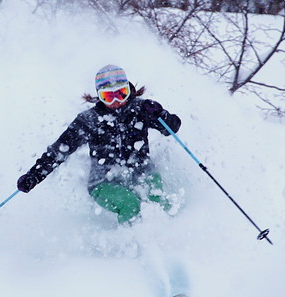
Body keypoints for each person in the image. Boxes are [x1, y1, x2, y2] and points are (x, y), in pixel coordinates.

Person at [16, 64, 182, 224]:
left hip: (142, 171)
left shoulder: (141, 109)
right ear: (100, 97)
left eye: (121, 93)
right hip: (104, 182)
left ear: (129, 89)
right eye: (109, 96)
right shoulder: (89, 120)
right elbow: (60, 151)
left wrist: (161, 115)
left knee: (157, 201)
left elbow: (171, 128)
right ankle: (134, 243)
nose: (116, 101)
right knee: (130, 205)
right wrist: (35, 175)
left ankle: (171, 236)